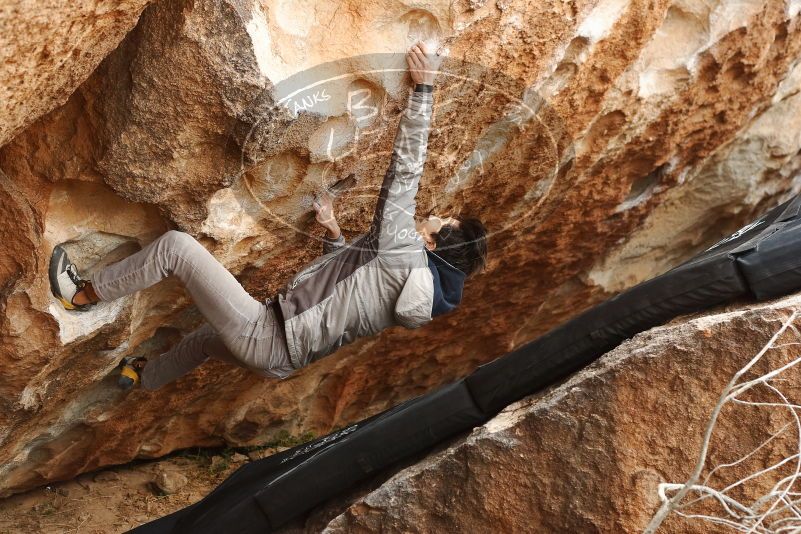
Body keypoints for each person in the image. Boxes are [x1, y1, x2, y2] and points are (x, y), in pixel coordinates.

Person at [49, 42, 489, 390]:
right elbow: (351, 292)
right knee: (203, 341)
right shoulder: (417, 288)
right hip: (280, 360)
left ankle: (82, 294)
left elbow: (406, 170)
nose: (433, 214)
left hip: (267, 335)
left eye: (442, 220)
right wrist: (334, 233)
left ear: (432, 243)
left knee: (177, 249)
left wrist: (425, 89)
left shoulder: (403, 254)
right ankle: (142, 378)